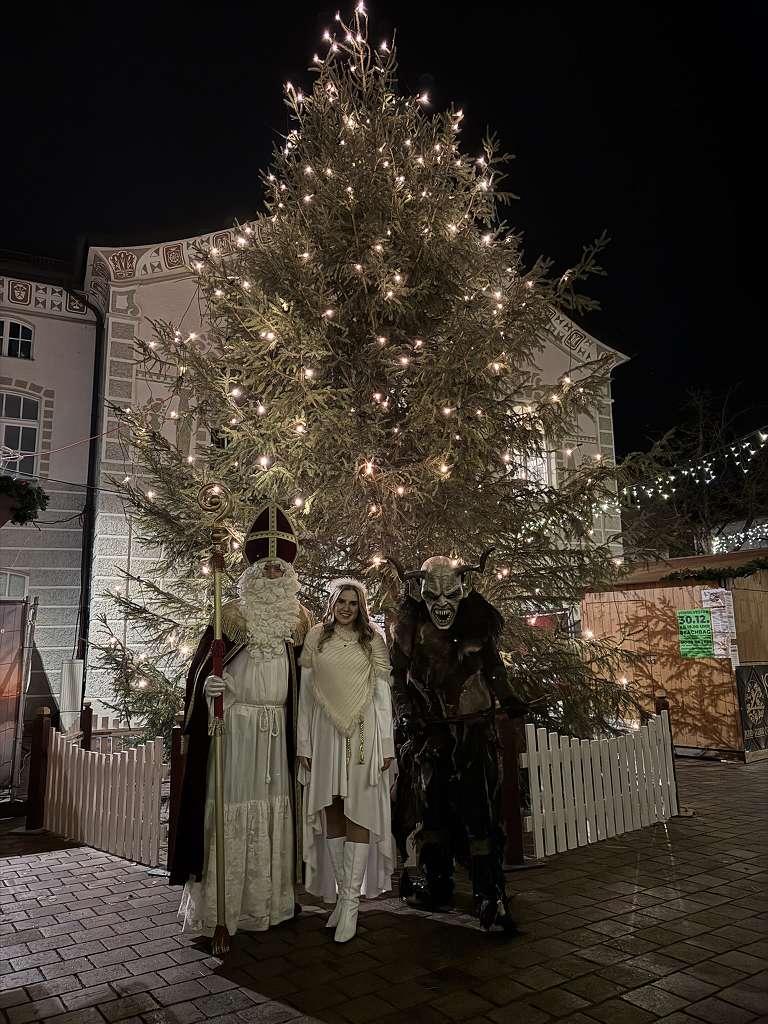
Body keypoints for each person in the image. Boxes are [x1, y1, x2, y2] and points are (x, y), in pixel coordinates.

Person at [170, 502, 312, 937]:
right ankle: (224, 908)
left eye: (278, 569)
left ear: (288, 573)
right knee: (230, 808)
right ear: (253, 571)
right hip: (235, 728)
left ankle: (271, 903)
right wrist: (208, 690)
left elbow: (310, 680)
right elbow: (201, 670)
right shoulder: (229, 615)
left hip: (276, 733)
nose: (272, 575)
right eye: (266, 568)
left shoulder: (301, 621)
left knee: (274, 809)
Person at [388, 551, 528, 932]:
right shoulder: (409, 628)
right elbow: (398, 677)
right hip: (431, 733)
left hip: (472, 732)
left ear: (463, 588)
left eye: (449, 595)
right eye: (433, 596)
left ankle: (489, 891)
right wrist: (405, 712)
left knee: (479, 812)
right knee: (432, 810)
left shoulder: (476, 624)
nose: (442, 605)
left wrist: (509, 696)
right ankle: (438, 883)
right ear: (421, 592)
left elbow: (494, 667)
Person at [297, 579, 395, 943]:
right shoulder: (316, 637)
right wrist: (303, 744)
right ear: (332, 602)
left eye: (354, 603)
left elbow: (383, 695)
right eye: (342, 601)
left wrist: (386, 745)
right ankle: (341, 895)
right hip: (325, 733)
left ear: (361, 606)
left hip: (363, 732)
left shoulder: (373, 639)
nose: (347, 608)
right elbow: (307, 696)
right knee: (332, 807)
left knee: (360, 809)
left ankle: (352, 904)